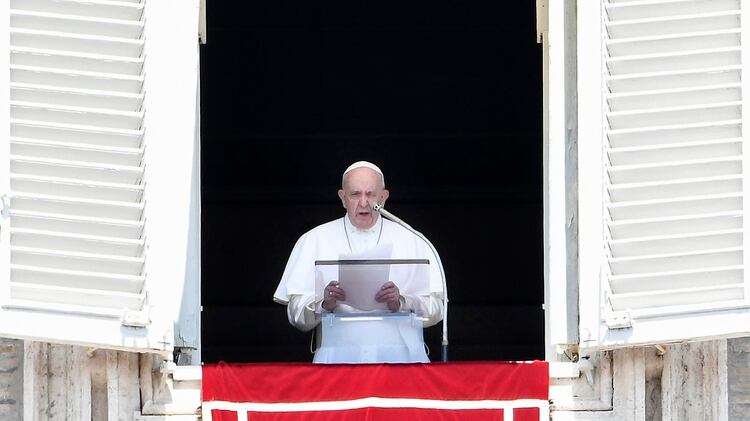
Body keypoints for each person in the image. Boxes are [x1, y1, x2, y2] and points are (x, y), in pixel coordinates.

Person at [273, 161, 444, 359]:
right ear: (343, 198)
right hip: (337, 359)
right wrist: (324, 303)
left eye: (370, 194)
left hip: (403, 359)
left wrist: (402, 302)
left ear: (383, 197)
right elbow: (296, 315)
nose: (364, 203)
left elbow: (437, 309)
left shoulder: (414, 239)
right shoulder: (313, 240)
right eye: (355, 194)